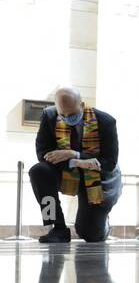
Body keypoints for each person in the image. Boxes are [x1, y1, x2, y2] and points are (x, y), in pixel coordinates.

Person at [30, 86, 121, 243]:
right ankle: (57, 227)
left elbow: (109, 162)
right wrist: (74, 161)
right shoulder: (49, 116)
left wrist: (74, 154)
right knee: (39, 172)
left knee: (90, 234)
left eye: (71, 114)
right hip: (67, 173)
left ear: (82, 105)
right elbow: (42, 153)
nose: (67, 118)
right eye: (62, 114)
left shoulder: (106, 121)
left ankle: (102, 224)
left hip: (98, 179)